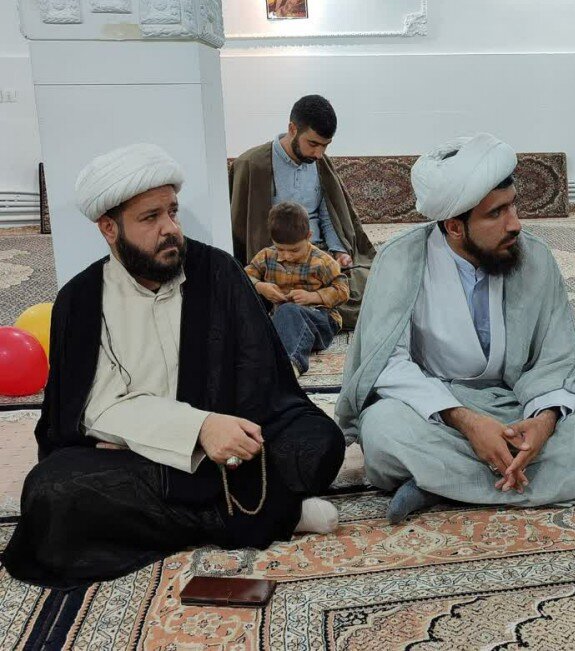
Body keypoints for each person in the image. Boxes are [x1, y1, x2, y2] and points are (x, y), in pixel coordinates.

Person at [2, 144, 345, 589]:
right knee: (51, 492)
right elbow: (94, 407)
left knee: (319, 444)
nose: (170, 229)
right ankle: (272, 512)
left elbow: (262, 377)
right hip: (141, 453)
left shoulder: (218, 271)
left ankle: (219, 508)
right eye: (150, 217)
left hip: (221, 449)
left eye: (172, 212)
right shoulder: (82, 300)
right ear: (109, 228)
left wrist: (231, 430)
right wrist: (199, 428)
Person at [337, 133, 575, 524]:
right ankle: (508, 477)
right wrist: (467, 421)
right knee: (382, 430)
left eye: (513, 205)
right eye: (496, 214)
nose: (515, 224)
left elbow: (558, 355)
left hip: (517, 405)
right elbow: (387, 362)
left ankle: (439, 484)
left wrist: (543, 423)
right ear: (454, 227)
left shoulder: (534, 257)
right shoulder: (401, 260)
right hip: (437, 410)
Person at [230, 94, 375, 329]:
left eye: (325, 146)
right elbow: (241, 231)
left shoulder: (318, 162)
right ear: (292, 129)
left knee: (377, 283)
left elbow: (328, 214)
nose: (319, 154)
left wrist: (339, 251)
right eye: (313, 144)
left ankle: (305, 313)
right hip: (280, 263)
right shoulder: (252, 165)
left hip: (319, 256)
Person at [246, 202, 349, 375]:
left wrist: (313, 297)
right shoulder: (266, 256)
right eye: (280, 249)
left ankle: (290, 366)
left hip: (320, 320)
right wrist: (260, 286)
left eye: (294, 250)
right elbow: (243, 276)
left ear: (308, 236)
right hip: (281, 320)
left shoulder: (322, 261)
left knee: (289, 311)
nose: (287, 256)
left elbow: (343, 290)